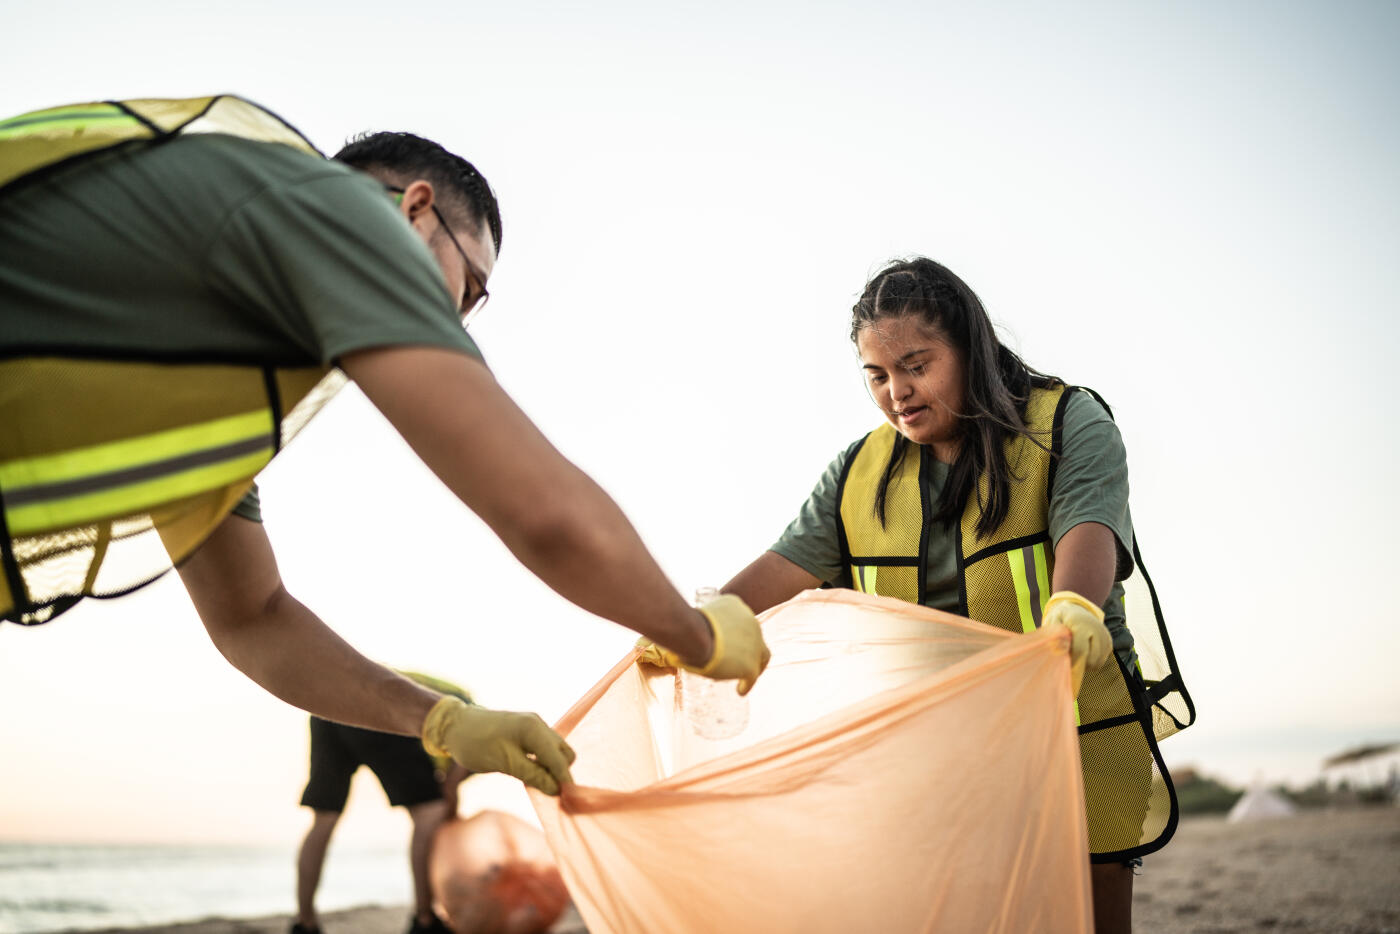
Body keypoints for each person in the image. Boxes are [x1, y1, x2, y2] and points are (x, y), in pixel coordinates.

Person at [0, 94, 769, 798]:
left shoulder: (194, 380)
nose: (454, 330)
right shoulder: (333, 211)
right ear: (415, 212)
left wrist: (440, 721)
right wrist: (694, 633)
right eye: (467, 290)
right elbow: (542, 511)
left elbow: (253, 618)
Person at [684, 257, 1182, 934]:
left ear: (969, 349)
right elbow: (782, 567)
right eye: (878, 376)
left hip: (1076, 721)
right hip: (943, 747)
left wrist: (1073, 608)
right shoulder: (859, 473)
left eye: (917, 365)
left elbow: (1089, 528)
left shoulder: (1068, 421)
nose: (898, 392)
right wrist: (689, 628)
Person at [294, 672, 474, 934]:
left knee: (324, 817)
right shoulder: (476, 725)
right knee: (430, 812)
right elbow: (449, 791)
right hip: (382, 703)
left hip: (328, 698)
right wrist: (451, 797)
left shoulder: (461, 702)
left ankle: (305, 922)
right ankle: (425, 920)